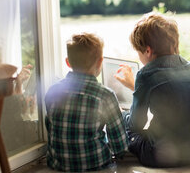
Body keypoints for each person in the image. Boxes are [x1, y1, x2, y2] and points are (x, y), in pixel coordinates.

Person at [115, 12, 190, 167]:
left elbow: (136, 124)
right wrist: (134, 86)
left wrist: (122, 115)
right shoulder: (189, 67)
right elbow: (171, 93)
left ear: (147, 51)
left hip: (164, 155)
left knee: (128, 131)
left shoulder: (145, 74)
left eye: (138, 52)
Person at [45, 33, 128, 172]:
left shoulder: (53, 90)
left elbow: (51, 126)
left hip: (58, 165)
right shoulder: (105, 95)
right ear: (100, 62)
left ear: (68, 62)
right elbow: (119, 145)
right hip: (94, 164)